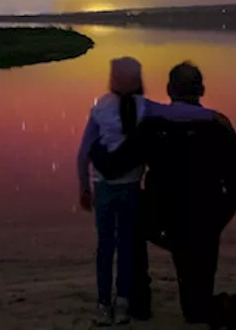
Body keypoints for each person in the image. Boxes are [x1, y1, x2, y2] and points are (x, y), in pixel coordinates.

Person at [90, 61, 236, 324]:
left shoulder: (154, 124)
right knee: (196, 312)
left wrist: (95, 144)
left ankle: (139, 300)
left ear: (169, 89)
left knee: (131, 213)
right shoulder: (220, 126)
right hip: (201, 221)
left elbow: (115, 165)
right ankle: (161, 298)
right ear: (202, 90)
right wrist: (215, 223)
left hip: (160, 219)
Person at [76, 56, 147, 325]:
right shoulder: (146, 108)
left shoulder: (101, 107)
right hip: (131, 187)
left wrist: (83, 186)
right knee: (127, 245)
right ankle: (123, 304)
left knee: (105, 245)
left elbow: (83, 153)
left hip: (103, 186)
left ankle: (103, 304)